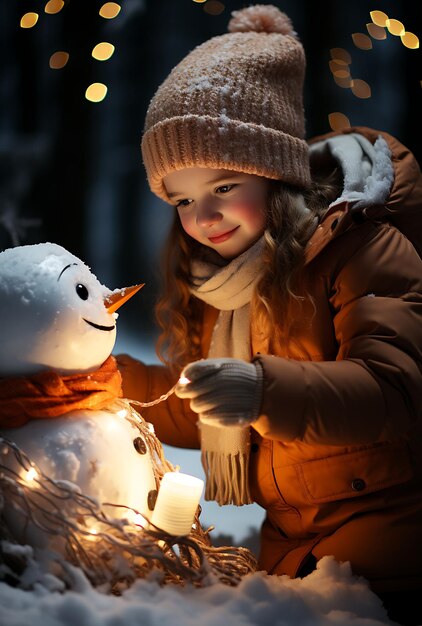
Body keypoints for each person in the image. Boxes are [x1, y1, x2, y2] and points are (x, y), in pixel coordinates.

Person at [118, 5, 422, 624]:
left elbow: (396, 388)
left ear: (276, 173)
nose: (203, 218)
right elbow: (199, 399)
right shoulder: (224, 283)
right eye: (183, 199)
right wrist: (105, 380)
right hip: (295, 560)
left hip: (394, 560)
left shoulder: (361, 248)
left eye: (224, 186)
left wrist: (262, 392)